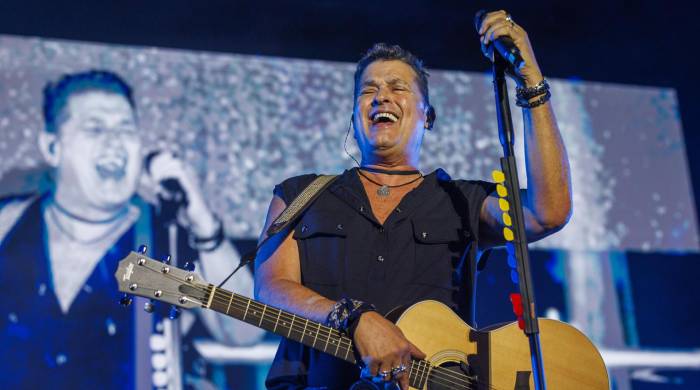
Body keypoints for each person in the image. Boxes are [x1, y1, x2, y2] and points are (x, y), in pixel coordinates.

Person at [255, 10, 572, 390]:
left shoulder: (460, 201)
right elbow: (271, 289)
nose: (381, 96)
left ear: (428, 117)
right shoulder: (298, 196)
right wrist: (355, 319)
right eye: (368, 90)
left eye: (397, 87)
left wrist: (531, 79)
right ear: (354, 118)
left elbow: (547, 213)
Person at [0, 70, 264, 389]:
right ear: (52, 148)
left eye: (126, 127)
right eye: (95, 128)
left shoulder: (157, 246)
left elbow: (243, 333)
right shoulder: (10, 225)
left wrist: (203, 224)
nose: (114, 141)